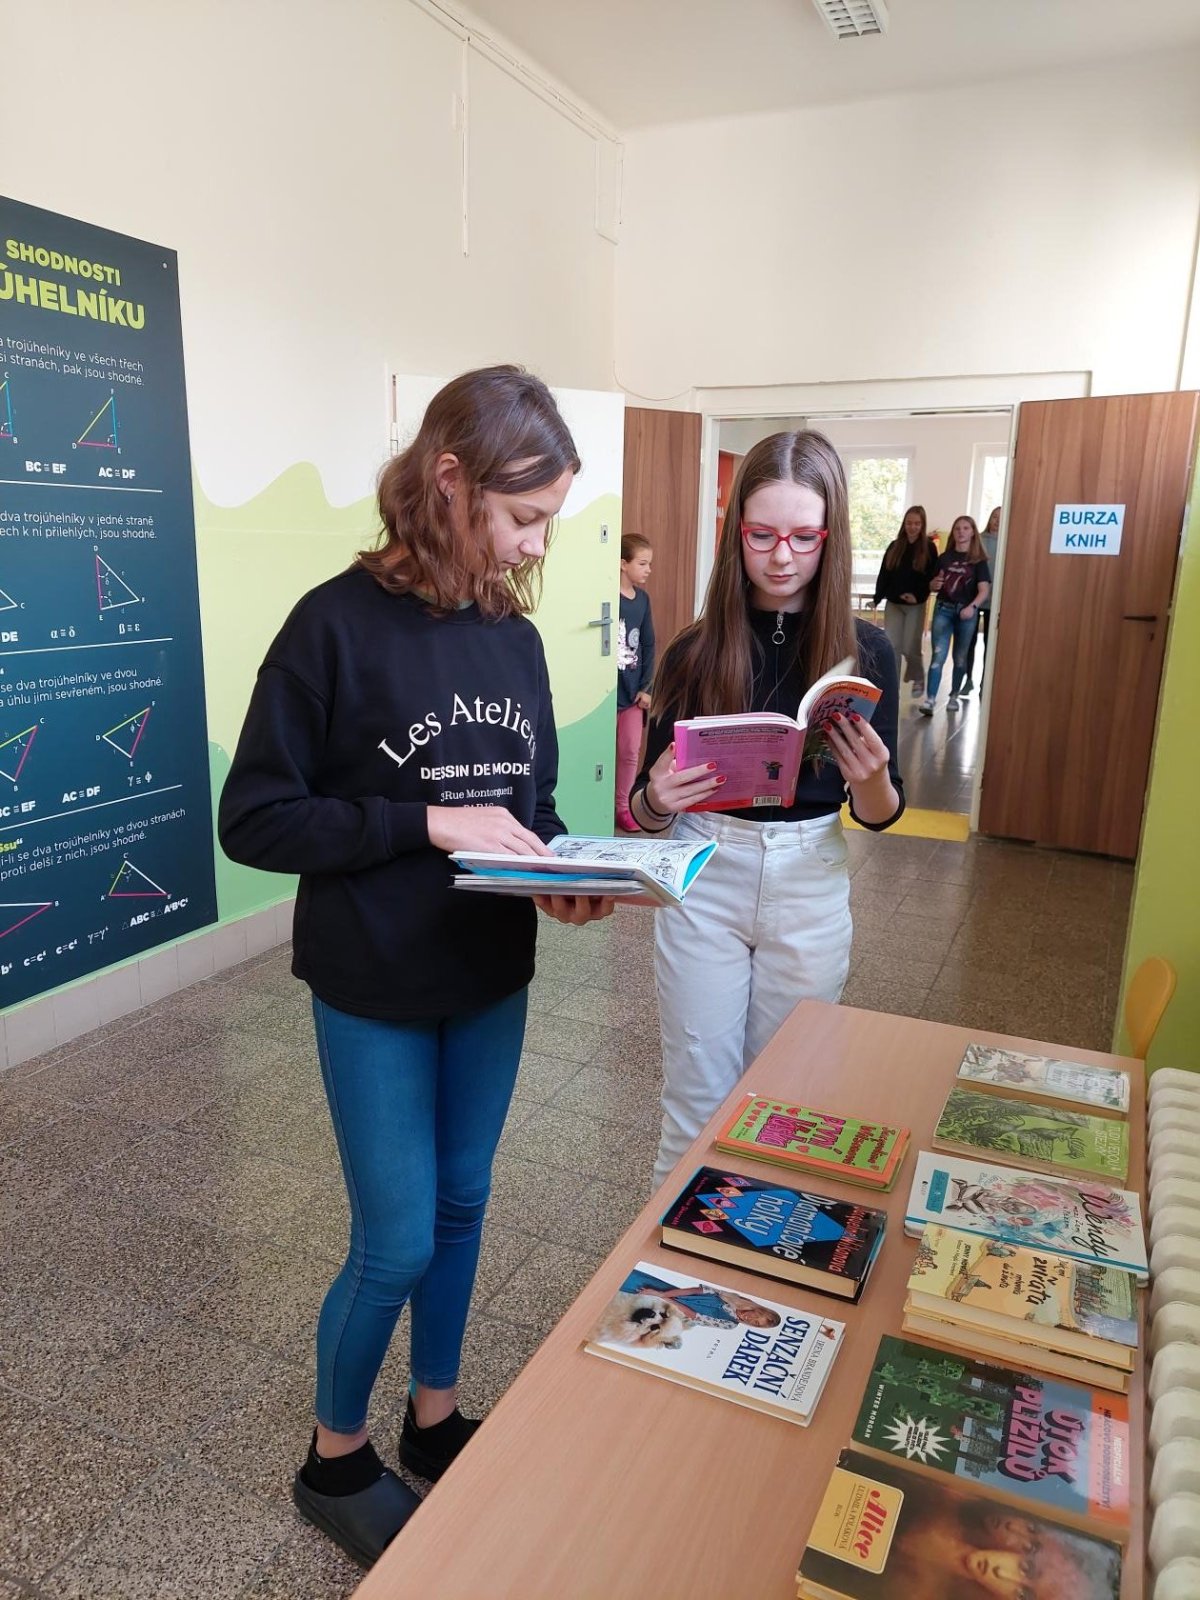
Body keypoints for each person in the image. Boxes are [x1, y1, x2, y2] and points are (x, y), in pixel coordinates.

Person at [218, 365, 614, 1568]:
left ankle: (432, 1418)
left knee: (463, 1202)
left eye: (548, 519)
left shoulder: (515, 641)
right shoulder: (331, 627)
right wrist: (420, 820)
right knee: (393, 1238)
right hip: (375, 983)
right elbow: (256, 818)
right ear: (449, 482)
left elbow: (530, 812)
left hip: (489, 974)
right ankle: (335, 1458)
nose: (537, 544)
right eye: (524, 516)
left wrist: (565, 874)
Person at [629, 430, 905, 1188]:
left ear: (831, 536)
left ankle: (756, 1247)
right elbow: (646, 813)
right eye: (762, 535)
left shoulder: (867, 652)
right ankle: (673, 1256)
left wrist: (873, 779)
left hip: (810, 874)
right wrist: (655, 797)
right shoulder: (694, 651)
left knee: (786, 1101)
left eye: (804, 537)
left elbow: (881, 813)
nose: (782, 557)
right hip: (705, 868)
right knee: (695, 1101)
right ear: (736, 534)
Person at [918, 514, 991, 716]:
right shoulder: (945, 558)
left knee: (959, 657)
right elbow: (933, 584)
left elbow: (984, 590)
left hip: (966, 612)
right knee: (938, 655)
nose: (961, 532)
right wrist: (933, 584)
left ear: (973, 532)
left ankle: (954, 696)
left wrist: (972, 607)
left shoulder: (979, 561)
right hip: (944, 609)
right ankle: (930, 700)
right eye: (957, 528)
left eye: (966, 528)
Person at [872, 504, 936, 698]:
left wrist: (918, 595)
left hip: (915, 605)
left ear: (922, 525)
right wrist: (877, 598)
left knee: (910, 647)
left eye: (917, 523)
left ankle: (918, 677)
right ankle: (893, 689)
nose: (912, 527)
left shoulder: (929, 548)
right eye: (909, 523)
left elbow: (930, 578)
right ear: (904, 524)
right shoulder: (895, 546)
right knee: (892, 647)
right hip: (894, 604)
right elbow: (884, 574)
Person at [615, 532, 655, 831]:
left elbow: (649, 644)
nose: (648, 570)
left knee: (630, 752)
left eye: (649, 564)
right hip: (608, 692)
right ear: (622, 563)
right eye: (642, 563)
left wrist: (646, 687)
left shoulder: (642, 600)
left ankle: (623, 807)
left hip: (633, 694)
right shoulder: (607, 598)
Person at [963, 504, 1001, 694]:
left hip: (995, 601)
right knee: (968, 642)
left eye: (1001, 518)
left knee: (989, 643)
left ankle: (985, 684)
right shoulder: (979, 540)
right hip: (975, 599)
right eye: (994, 517)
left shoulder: (1008, 541)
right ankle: (967, 679)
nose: (997, 521)